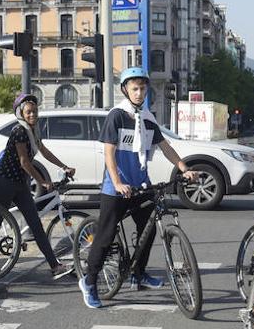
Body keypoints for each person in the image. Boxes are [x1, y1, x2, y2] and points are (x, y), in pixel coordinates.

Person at [79, 67, 198, 308]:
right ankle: (89, 282)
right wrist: (117, 182)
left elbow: (166, 147)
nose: (139, 93)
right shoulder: (117, 116)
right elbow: (109, 153)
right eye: (135, 88)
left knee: (149, 229)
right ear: (125, 90)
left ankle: (138, 273)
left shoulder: (147, 119)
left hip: (141, 185)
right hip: (116, 188)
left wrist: (184, 168)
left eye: (143, 88)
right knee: (105, 236)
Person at [0, 92, 76, 279]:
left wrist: (64, 166)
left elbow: (44, 151)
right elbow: (24, 162)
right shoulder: (19, 131)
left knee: (36, 225)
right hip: (5, 182)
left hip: (20, 184)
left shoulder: (33, 130)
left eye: (35, 111)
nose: (33, 115)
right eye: (28, 112)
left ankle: (54, 266)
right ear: (20, 114)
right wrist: (42, 181)